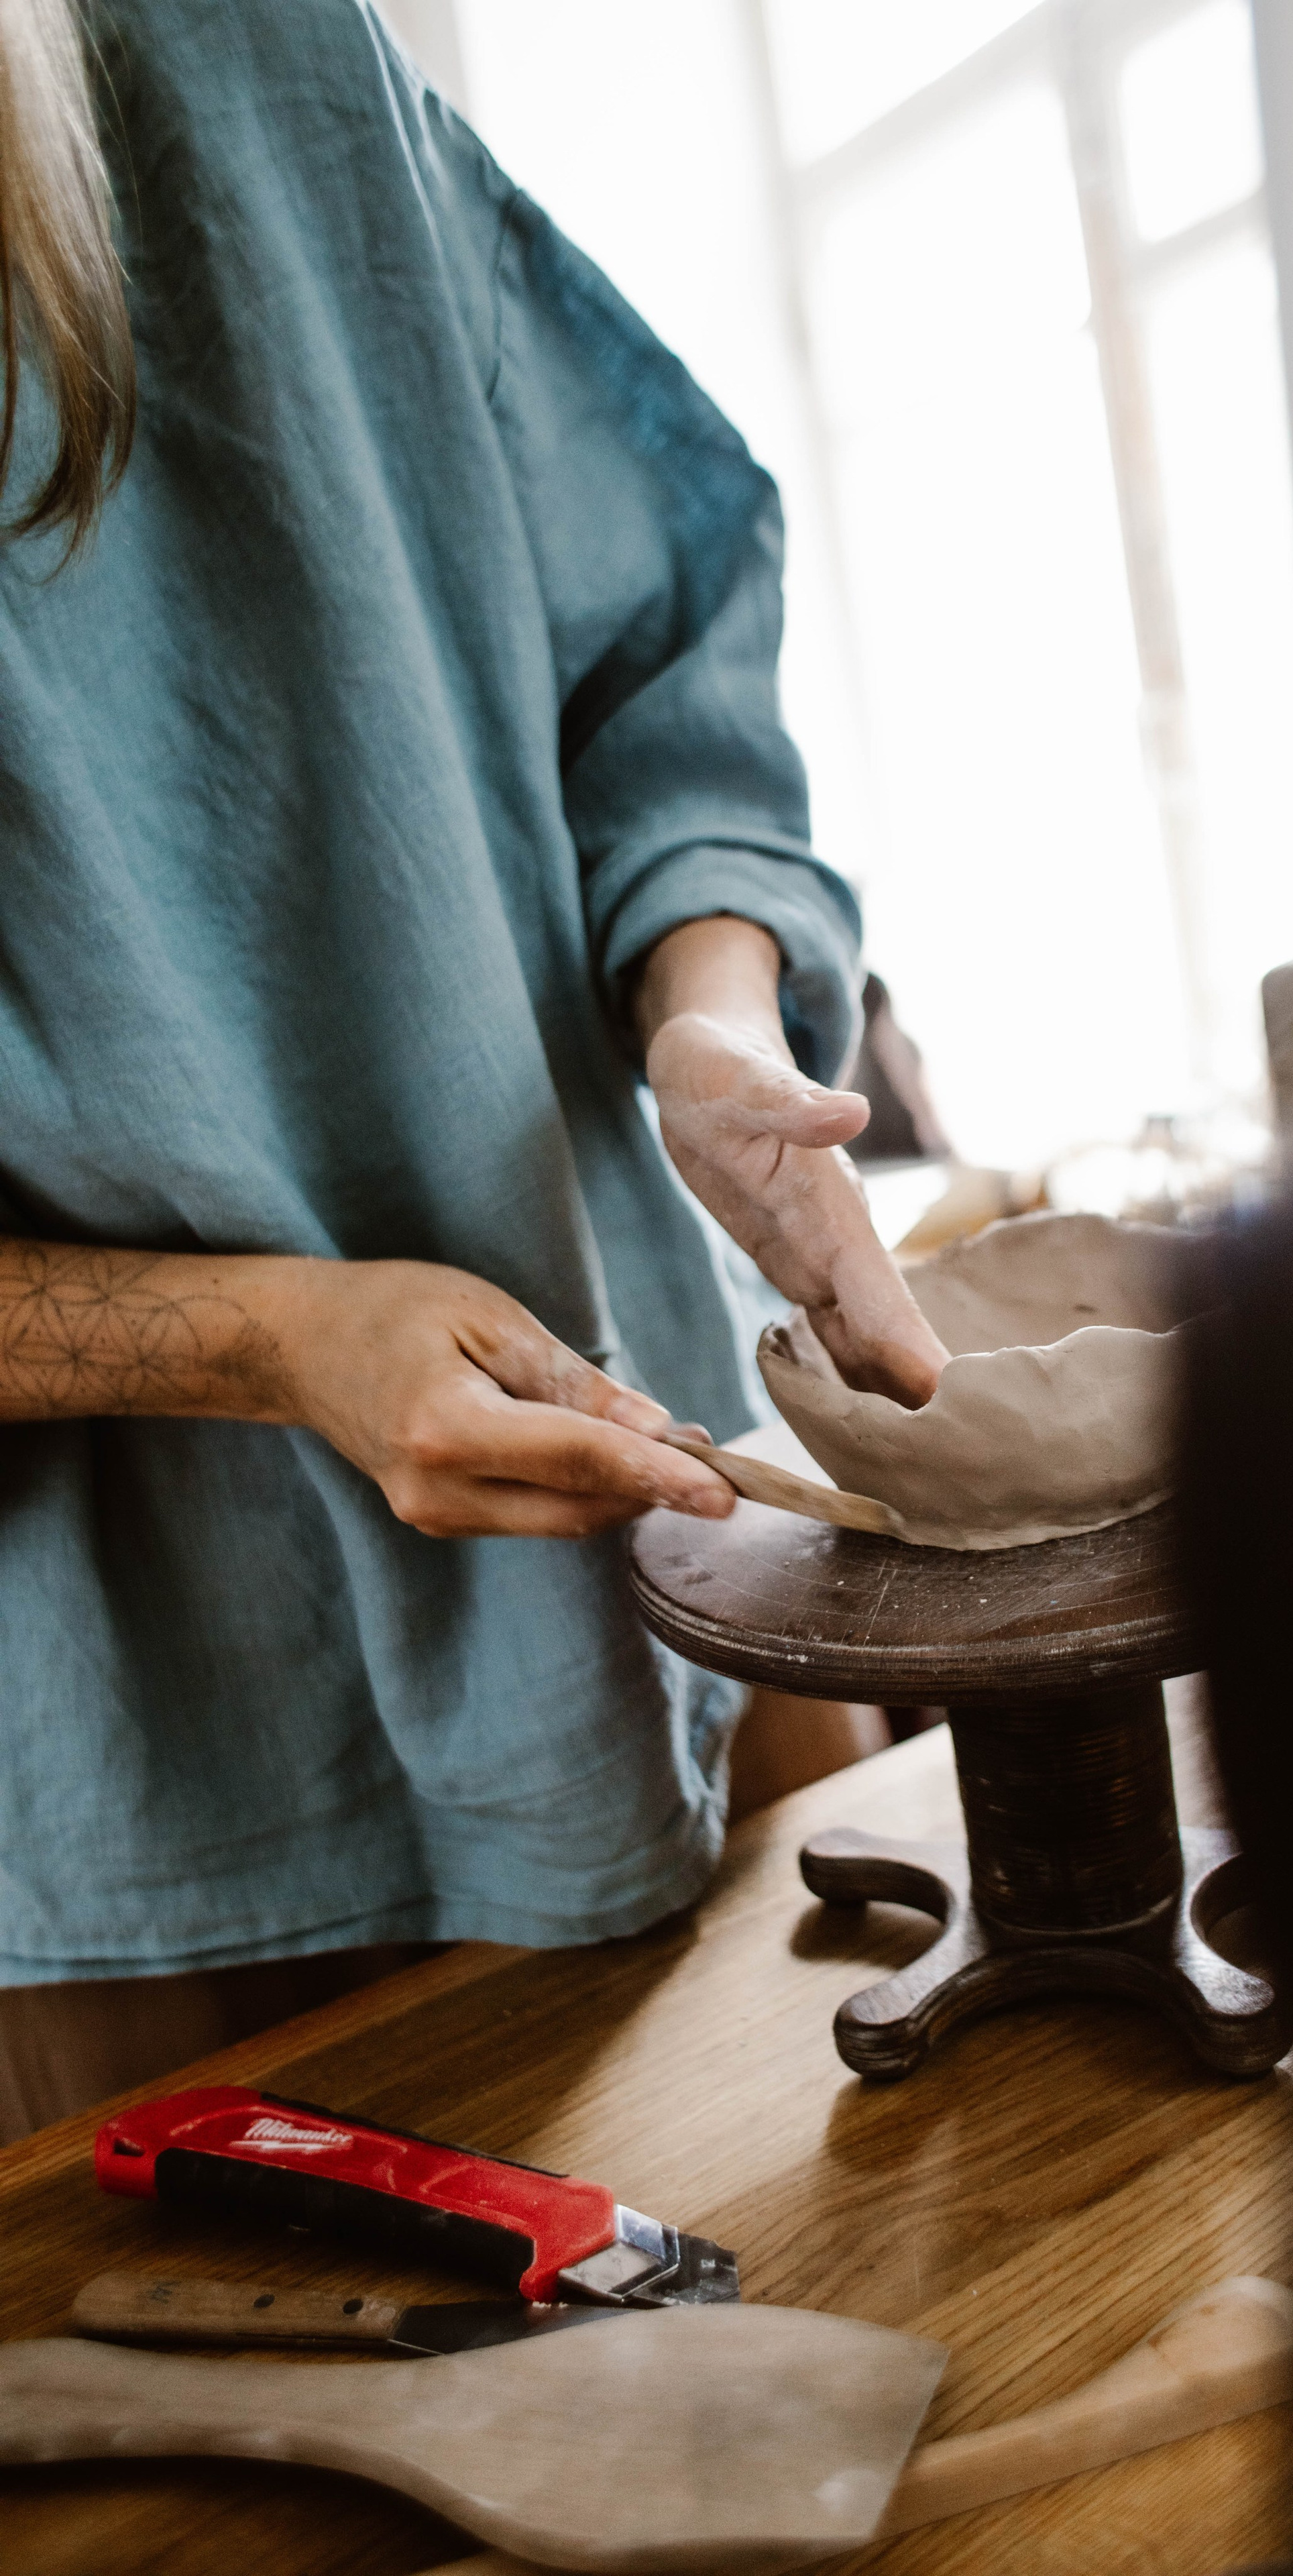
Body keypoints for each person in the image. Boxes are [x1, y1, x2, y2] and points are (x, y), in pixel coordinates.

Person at [0, 0, 946, 2137]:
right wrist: (263, 1339)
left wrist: (707, 1019)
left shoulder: (275, 70)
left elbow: (661, 676)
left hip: (667, 1644)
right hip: (132, 1817)